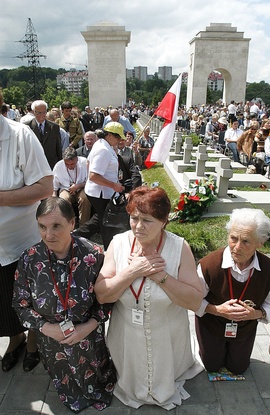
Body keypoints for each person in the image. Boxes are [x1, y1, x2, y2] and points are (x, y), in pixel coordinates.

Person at [94, 186, 203, 410]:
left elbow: (194, 300)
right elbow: (103, 294)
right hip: (126, 336)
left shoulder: (179, 247)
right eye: (134, 218)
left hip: (168, 335)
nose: (138, 226)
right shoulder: (118, 243)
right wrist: (132, 271)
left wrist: (159, 275)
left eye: (147, 220)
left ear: (164, 221)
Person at [12, 197, 116, 412]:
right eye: (42, 226)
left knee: (98, 380)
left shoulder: (94, 255)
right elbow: (20, 304)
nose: (48, 235)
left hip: (89, 338)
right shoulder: (29, 259)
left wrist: (87, 327)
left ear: (72, 223)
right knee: (65, 384)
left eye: (56, 226)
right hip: (51, 342)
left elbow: (109, 299)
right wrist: (46, 328)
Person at [0, 91, 53, 372]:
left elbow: (45, 187)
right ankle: (15, 338)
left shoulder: (20, 136)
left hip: (21, 241)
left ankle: (33, 341)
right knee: (3, 302)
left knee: (28, 298)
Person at [195, 208, 270, 375]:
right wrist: (217, 310)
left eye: (246, 241)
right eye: (233, 238)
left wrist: (256, 314)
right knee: (212, 366)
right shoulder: (208, 265)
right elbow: (193, 301)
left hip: (244, 327)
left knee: (238, 368)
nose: (237, 247)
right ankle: (200, 344)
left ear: (260, 243)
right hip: (212, 324)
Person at [84, 122, 125, 250]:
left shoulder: (102, 144)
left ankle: (77, 235)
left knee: (101, 218)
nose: (119, 141)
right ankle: (109, 249)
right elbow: (93, 175)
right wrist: (114, 185)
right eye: (118, 137)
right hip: (100, 193)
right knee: (107, 223)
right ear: (110, 136)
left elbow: (88, 163)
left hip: (100, 191)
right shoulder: (103, 149)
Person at [53, 147, 91, 227]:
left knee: (84, 199)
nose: (70, 166)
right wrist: (54, 200)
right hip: (65, 189)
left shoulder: (84, 162)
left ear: (77, 159)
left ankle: (83, 226)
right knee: (63, 200)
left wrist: (78, 186)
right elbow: (54, 187)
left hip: (81, 187)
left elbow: (90, 181)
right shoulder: (58, 166)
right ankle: (68, 226)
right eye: (67, 164)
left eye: (72, 164)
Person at [26, 100, 62, 170]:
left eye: (44, 112)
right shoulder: (27, 127)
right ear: (33, 112)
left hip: (51, 164)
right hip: (34, 166)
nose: (42, 115)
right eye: (39, 113)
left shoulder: (54, 127)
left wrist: (59, 165)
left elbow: (58, 148)